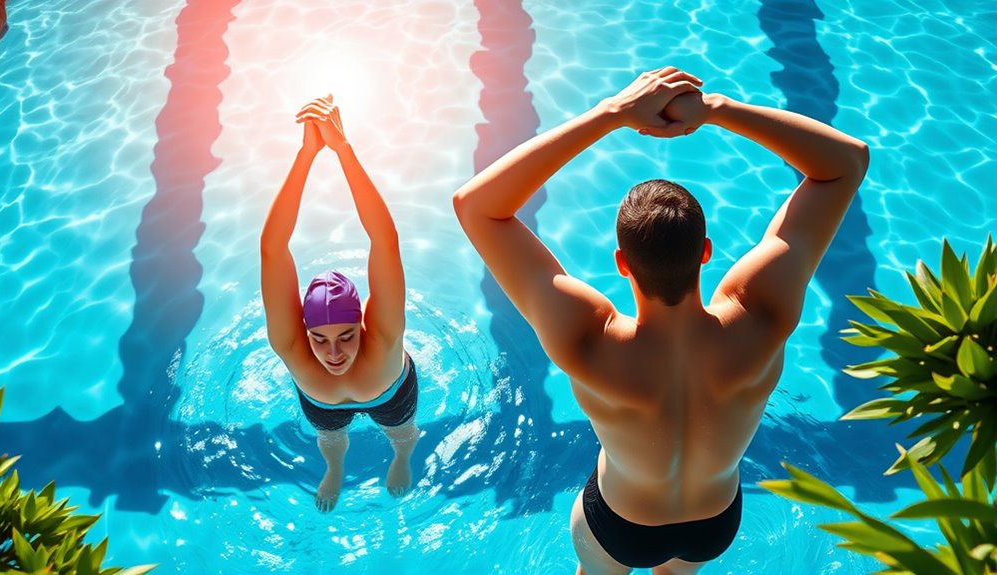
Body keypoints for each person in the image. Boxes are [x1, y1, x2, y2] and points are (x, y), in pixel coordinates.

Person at [452, 66, 869, 574]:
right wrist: (714, 109)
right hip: (714, 521)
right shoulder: (761, 314)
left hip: (622, 523)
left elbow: (477, 207)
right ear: (706, 253)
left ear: (622, 264)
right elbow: (845, 162)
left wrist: (611, 115)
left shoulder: (587, 338)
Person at [260, 95, 419, 512]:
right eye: (320, 339)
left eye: (347, 336)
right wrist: (305, 153)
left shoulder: (384, 336)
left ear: (363, 325)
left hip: (392, 394)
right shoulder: (290, 346)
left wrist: (342, 150)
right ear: (303, 332)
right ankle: (335, 469)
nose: (333, 354)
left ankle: (401, 459)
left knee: (402, 433)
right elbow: (272, 250)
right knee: (331, 440)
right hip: (322, 407)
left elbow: (384, 239)